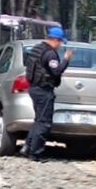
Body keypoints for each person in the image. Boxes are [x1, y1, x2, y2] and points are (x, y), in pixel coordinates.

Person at [23, 26, 73, 162]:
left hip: (34, 88)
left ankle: (27, 147)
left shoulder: (38, 49)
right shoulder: (50, 54)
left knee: (38, 120)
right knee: (44, 123)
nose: (60, 45)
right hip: (43, 90)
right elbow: (56, 71)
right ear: (56, 40)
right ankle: (36, 153)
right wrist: (66, 60)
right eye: (60, 42)